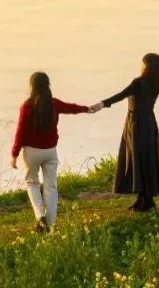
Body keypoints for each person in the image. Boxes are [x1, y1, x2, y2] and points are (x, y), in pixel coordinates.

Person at [10, 71, 95, 234]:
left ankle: (40, 217)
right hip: (50, 151)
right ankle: (50, 223)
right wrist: (87, 109)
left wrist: (14, 154)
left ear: (32, 86)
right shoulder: (54, 104)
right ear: (48, 85)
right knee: (51, 187)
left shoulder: (26, 107)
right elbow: (71, 108)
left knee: (32, 183)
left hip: (31, 152)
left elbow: (20, 133)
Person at [92, 53, 159, 212]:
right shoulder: (155, 83)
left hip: (137, 123)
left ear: (146, 65)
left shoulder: (138, 82)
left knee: (138, 159)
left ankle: (147, 201)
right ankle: (142, 198)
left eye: (143, 62)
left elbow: (121, 95)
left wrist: (103, 103)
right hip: (148, 122)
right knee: (146, 159)